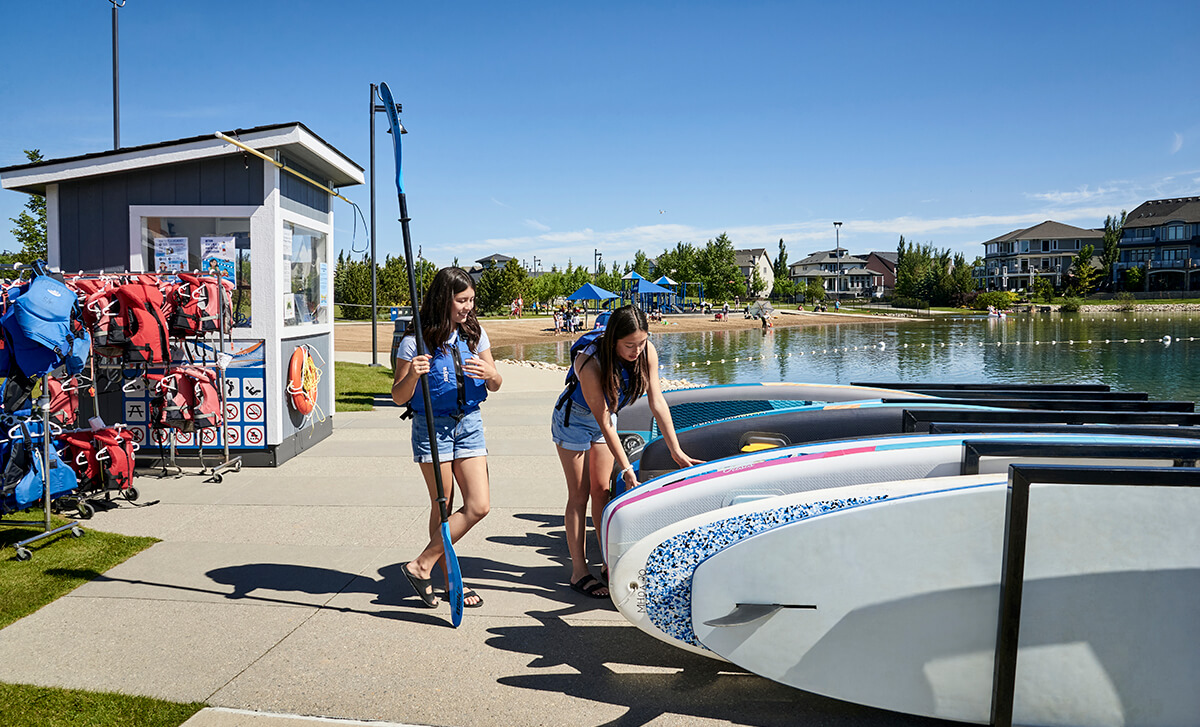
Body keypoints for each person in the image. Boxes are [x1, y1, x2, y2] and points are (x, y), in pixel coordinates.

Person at [551, 305, 702, 599]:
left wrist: (676, 450)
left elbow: (657, 401)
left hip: (606, 416)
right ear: (613, 341)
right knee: (579, 494)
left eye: (642, 342)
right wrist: (628, 469)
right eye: (629, 345)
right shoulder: (589, 361)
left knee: (601, 491)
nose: (637, 350)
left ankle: (608, 564)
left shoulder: (646, 352)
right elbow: (605, 423)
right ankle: (579, 571)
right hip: (574, 420)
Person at [392, 267, 503, 610]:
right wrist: (412, 375)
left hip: (469, 423)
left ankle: (421, 565)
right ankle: (450, 579)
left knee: (479, 506)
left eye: (471, 300)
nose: (469, 307)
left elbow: (496, 384)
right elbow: (398, 396)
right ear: (444, 299)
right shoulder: (414, 341)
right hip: (432, 428)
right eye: (462, 300)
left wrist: (492, 373)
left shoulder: (475, 335)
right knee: (443, 506)